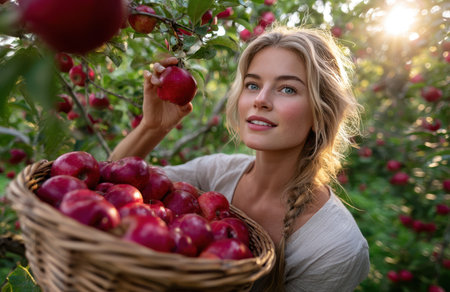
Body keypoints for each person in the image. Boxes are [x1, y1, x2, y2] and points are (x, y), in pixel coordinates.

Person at [109, 26, 370, 291]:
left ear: (320, 113)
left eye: (288, 89)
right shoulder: (214, 173)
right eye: (253, 85)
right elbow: (109, 187)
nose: (261, 99)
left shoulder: (336, 246)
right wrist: (152, 127)